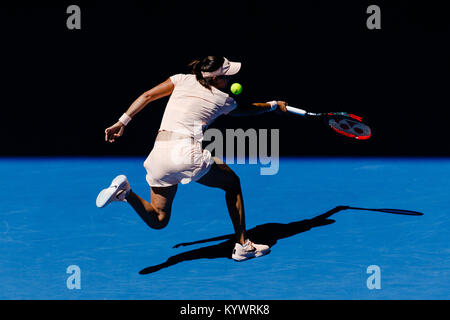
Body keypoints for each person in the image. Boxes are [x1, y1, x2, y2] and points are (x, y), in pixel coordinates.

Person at [96, 56, 288, 261]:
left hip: (158, 154)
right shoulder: (224, 100)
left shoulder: (180, 79)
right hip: (185, 153)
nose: (230, 80)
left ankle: (126, 193)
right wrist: (273, 105)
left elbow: (147, 96)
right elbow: (247, 110)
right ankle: (242, 246)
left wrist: (121, 122)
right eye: (226, 76)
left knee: (159, 220)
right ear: (214, 79)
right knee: (232, 184)